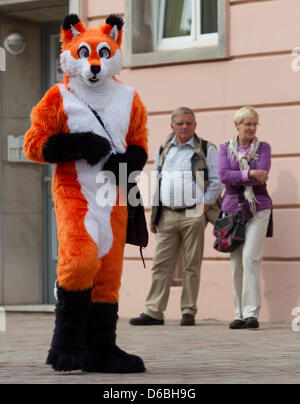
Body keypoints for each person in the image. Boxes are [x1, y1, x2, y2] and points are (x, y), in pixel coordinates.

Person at [130, 107, 223, 326]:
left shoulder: (207, 149)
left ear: (195, 126)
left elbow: (217, 181)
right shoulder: (164, 148)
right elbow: (157, 181)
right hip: (167, 214)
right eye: (180, 123)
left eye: (188, 123)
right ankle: (153, 312)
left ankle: (188, 311)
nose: (184, 127)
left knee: (192, 265)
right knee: (161, 264)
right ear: (172, 126)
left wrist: (203, 208)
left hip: (194, 213)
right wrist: (154, 215)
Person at [217, 106, 273, 330]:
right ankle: (238, 314)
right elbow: (223, 175)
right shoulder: (224, 148)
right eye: (247, 123)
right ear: (237, 125)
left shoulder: (264, 147)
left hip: (259, 207)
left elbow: (263, 176)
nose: (251, 128)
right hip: (232, 209)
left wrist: (239, 177)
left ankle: (251, 313)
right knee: (236, 261)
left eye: (254, 124)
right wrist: (249, 173)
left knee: (250, 258)